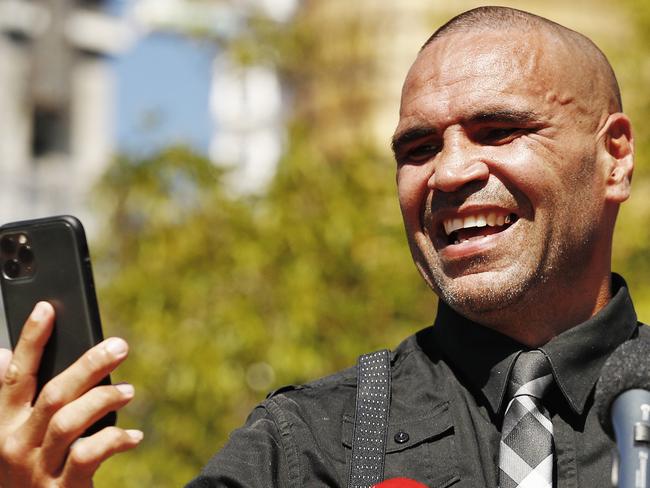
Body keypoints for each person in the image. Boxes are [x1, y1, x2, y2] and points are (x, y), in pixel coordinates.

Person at [0, 5, 645, 487]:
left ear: (613, 159)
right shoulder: (307, 444)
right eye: (418, 149)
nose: (448, 174)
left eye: (498, 131)